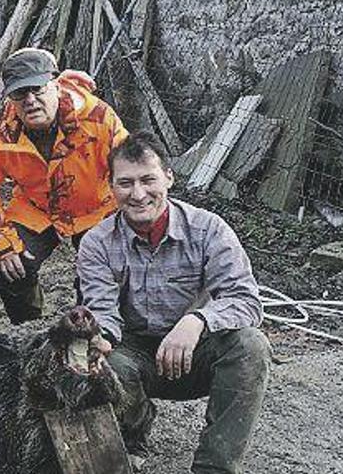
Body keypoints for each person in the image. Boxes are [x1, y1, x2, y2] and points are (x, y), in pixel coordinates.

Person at [78, 131, 270, 474]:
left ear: (169, 176)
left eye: (148, 180)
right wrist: (98, 339)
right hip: (133, 351)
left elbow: (247, 301)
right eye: (125, 183)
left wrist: (197, 320)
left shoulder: (209, 229)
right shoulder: (96, 243)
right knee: (106, 365)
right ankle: (133, 430)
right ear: (111, 186)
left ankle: (215, 467)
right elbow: (102, 311)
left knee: (250, 346)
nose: (138, 194)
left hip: (195, 352)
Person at [0, 48, 128, 324]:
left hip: (96, 209)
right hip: (37, 208)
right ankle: (28, 330)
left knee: (98, 277)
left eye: (37, 90)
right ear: (10, 98)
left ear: (55, 84)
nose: (30, 101)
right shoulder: (0, 134)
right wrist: (2, 243)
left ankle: (94, 333)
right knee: (13, 269)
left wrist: (127, 221)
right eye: (20, 94)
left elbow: (130, 168)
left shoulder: (98, 119)